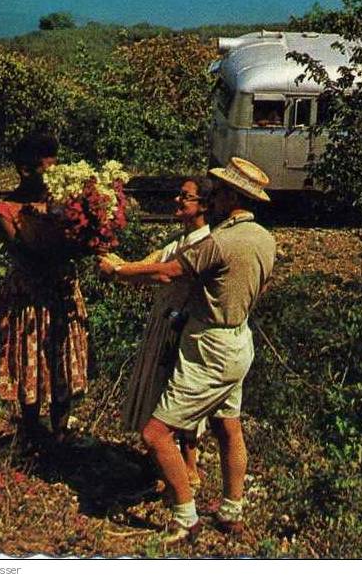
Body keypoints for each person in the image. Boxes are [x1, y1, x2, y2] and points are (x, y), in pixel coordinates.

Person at [100, 157, 276, 543]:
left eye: (219, 193)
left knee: (156, 433)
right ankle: (231, 510)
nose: (213, 199)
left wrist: (119, 270)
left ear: (232, 196)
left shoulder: (221, 241)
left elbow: (166, 271)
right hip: (240, 339)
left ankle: (185, 516)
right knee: (228, 427)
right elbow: (262, 287)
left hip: (209, 345)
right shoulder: (265, 238)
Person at [0, 134, 91, 446]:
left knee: (63, 360)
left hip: (62, 293)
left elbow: (82, 238)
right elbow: (23, 252)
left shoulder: (66, 204)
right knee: (30, 360)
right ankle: (31, 432)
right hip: (30, 299)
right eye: (45, 169)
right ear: (25, 170)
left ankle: (60, 432)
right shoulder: (5, 210)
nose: (51, 177)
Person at [109, 178, 214, 494]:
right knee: (166, 392)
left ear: (204, 205)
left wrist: (119, 271)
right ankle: (173, 466)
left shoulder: (203, 243)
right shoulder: (181, 239)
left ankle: (188, 471)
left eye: (185, 196)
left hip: (181, 327)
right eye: (179, 194)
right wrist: (115, 260)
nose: (177, 200)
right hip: (166, 323)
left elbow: (159, 272)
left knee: (178, 397)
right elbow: (151, 262)